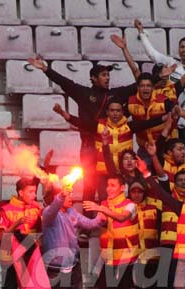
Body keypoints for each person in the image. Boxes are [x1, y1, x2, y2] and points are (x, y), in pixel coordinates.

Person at [27, 57, 138, 204]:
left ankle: (109, 219)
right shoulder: (84, 93)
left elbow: (138, 86)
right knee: (90, 186)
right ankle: (87, 223)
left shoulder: (115, 94)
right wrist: (46, 69)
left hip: (109, 147)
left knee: (111, 184)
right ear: (93, 78)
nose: (107, 78)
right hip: (89, 146)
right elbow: (65, 83)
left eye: (108, 75)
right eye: (103, 75)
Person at [132, 20, 185, 164]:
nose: (184, 50)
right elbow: (152, 53)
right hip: (171, 112)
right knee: (168, 153)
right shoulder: (170, 63)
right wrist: (141, 33)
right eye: (182, 47)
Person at [53, 100, 173, 199]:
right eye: (112, 110)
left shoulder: (129, 126)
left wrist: (167, 117)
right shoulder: (99, 126)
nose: (115, 113)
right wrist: (63, 113)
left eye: (118, 110)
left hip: (124, 173)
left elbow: (148, 123)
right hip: (103, 173)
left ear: (122, 112)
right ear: (107, 112)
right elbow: (80, 122)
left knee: (126, 201)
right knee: (106, 201)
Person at [41, 179, 103, 289]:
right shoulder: (48, 213)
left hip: (74, 266)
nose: (71, 197)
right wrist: (61, 195)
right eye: (67, 194)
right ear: (56, 197)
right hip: (55, 268)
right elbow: (52, 210)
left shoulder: (72, 213)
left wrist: (102, 212)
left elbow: (91, 224)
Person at [83, 174, 141, 289]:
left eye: (113, 185)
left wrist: (101, 209)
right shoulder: (103, 205)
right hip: (109, 261)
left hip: (127, 263)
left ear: (122, 188)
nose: (109, 189)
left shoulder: (130, 205)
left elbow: (122, 217)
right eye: (108, 185)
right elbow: (98, 223)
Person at [0, 176, 42, 289]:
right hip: (10, 263)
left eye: (34, 192)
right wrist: (17, 223)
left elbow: (42, 234)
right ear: (20, 192)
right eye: (30, 192)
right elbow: (2, 238)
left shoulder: (36, 209)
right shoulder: (6, 209)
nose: (34, 195)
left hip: (29, 263)